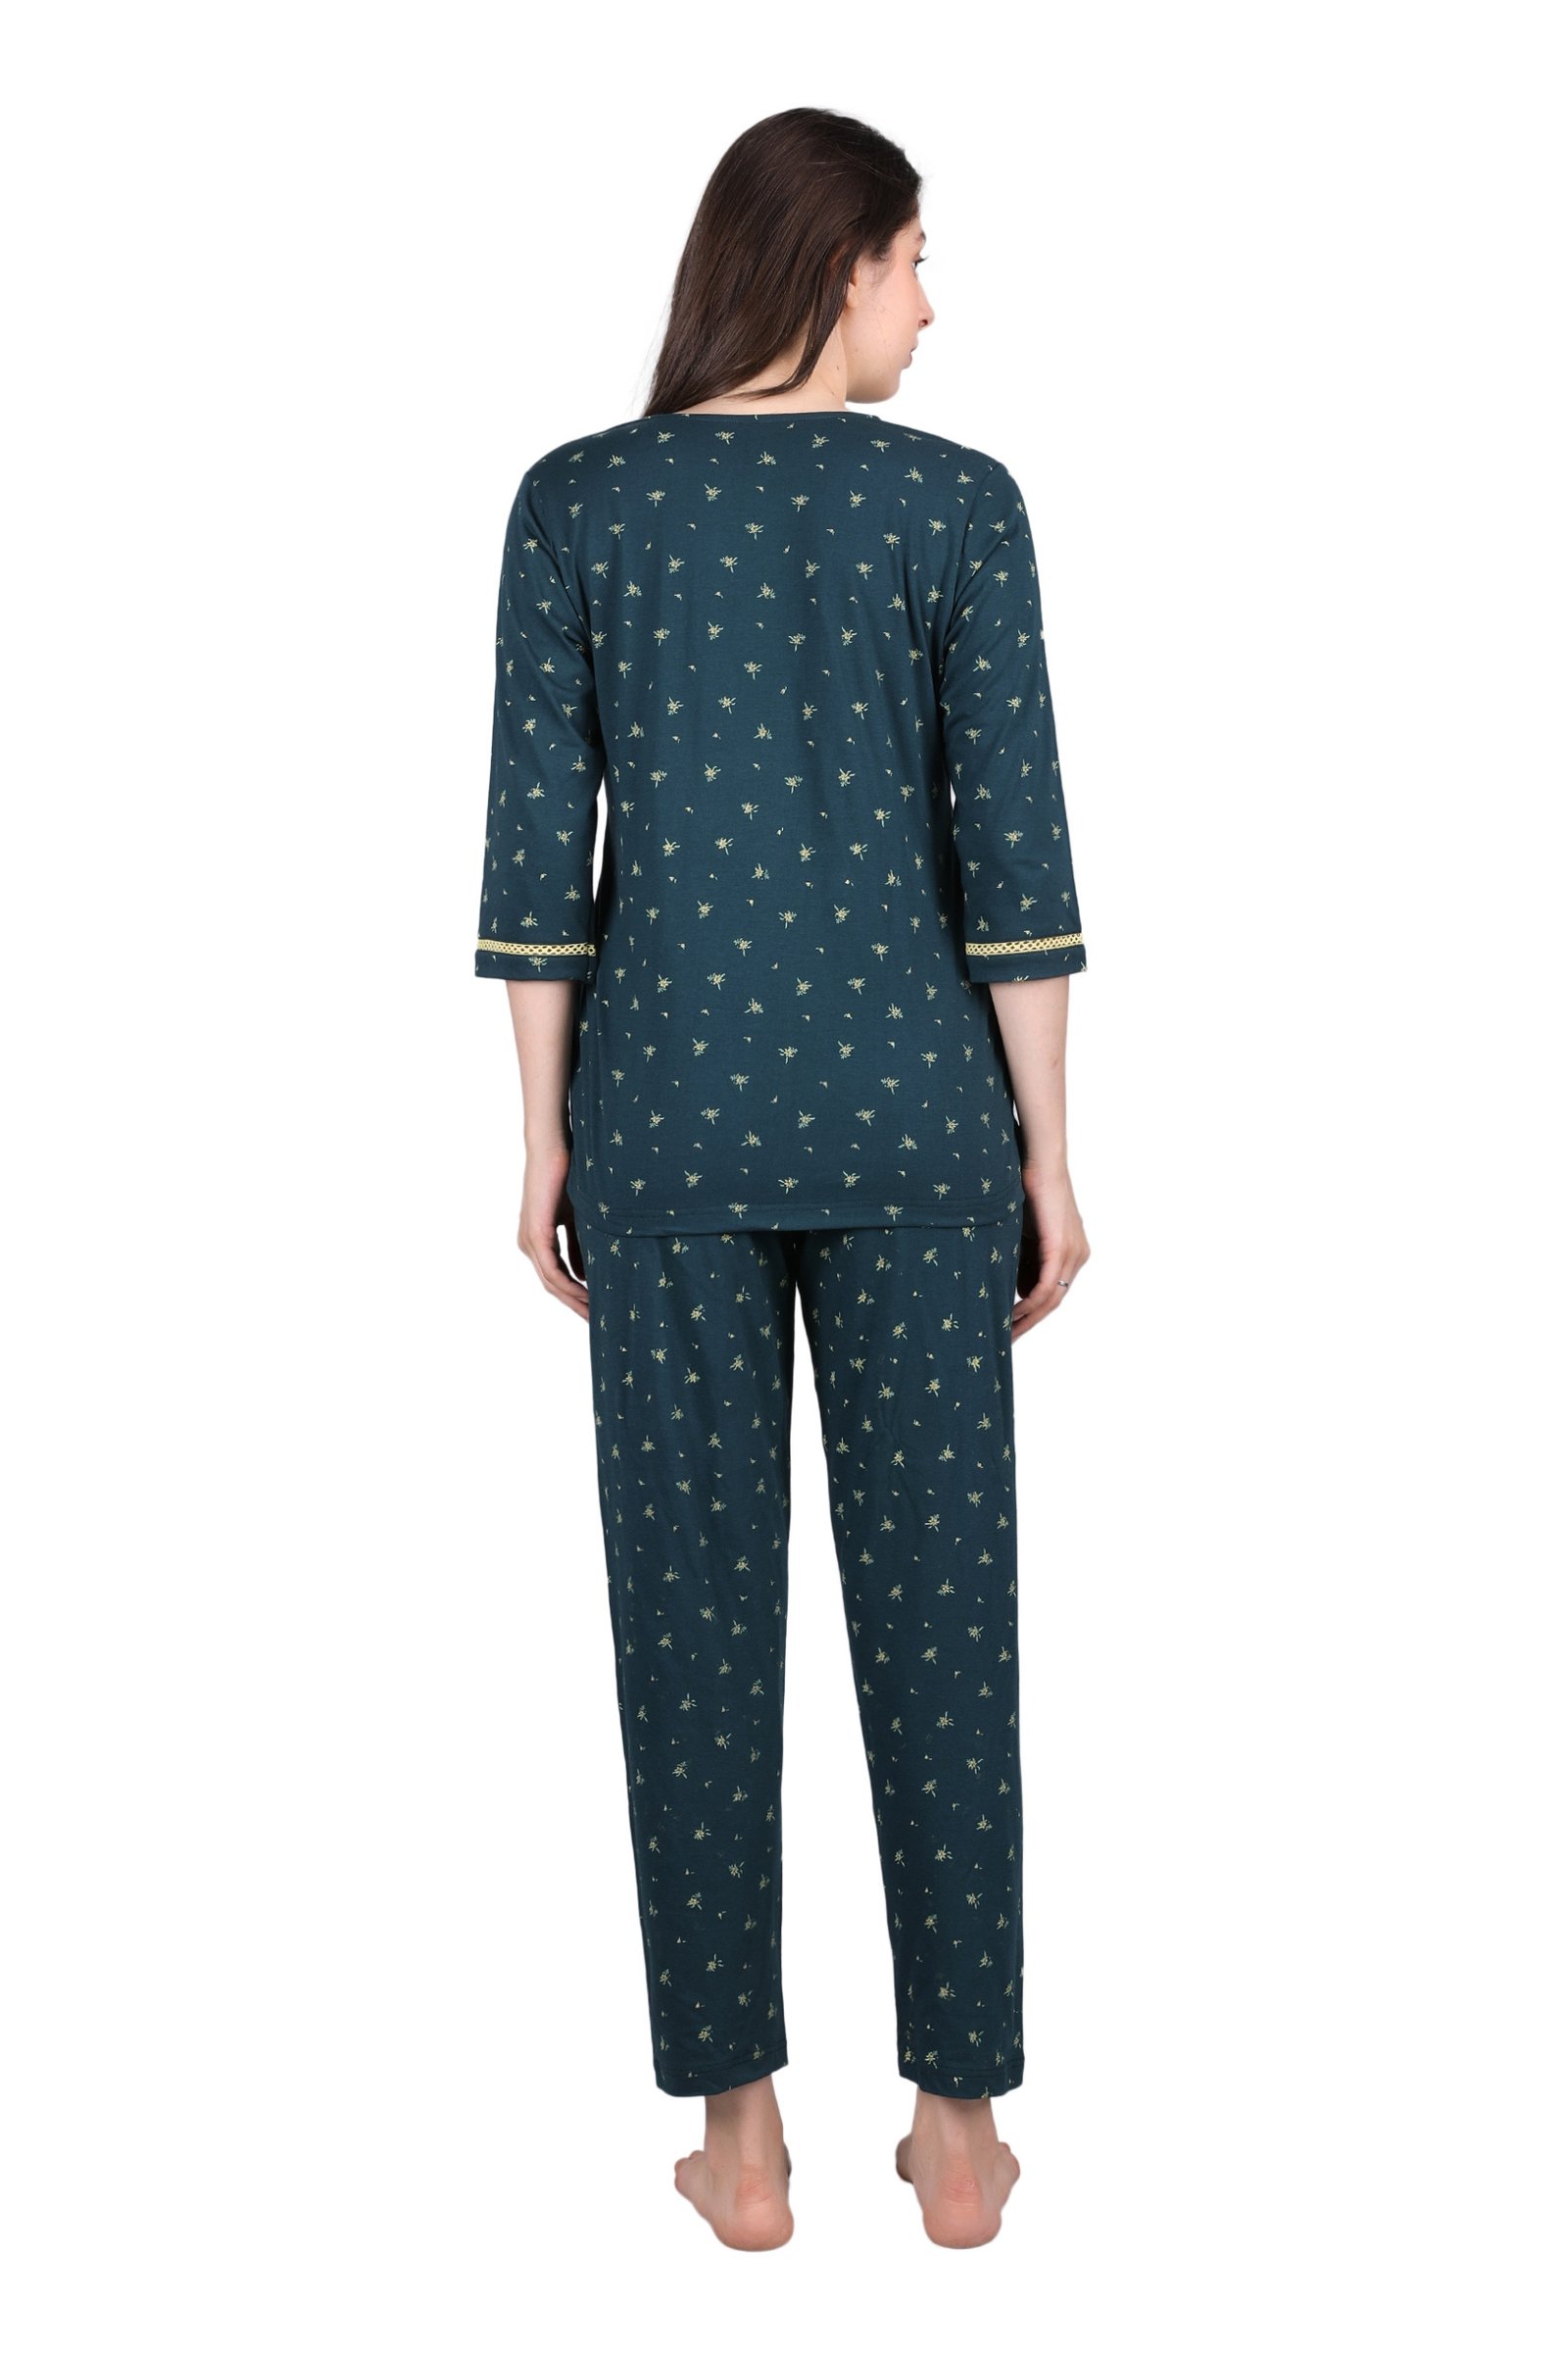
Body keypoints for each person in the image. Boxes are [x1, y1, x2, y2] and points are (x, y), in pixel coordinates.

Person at [472, 107, 1090, 2251]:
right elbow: (1016, 864)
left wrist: (542, 1134)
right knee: (947, 1630)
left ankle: (740, 2142)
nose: (931, 301)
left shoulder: (578, 505)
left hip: (663, 1126)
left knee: (690, 1633)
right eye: (916, 258)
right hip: (922, 1132)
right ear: (835, 266)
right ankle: (957, 2132)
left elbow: (533, 866)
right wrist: (1051, 1150)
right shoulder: (957, 508)